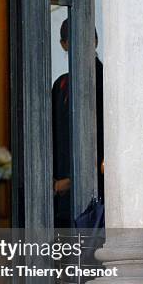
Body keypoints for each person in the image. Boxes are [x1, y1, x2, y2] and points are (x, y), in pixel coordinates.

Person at [52, 18, 104, 228]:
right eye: (72, 39)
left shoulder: (105, 80)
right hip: (59, 197)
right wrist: (53, 183)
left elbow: (104, 138)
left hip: (93, 196)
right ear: (63, 44)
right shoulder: (60, 84)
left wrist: (73, 180)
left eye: (88, 38)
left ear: (96, 41)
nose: (82, 44)